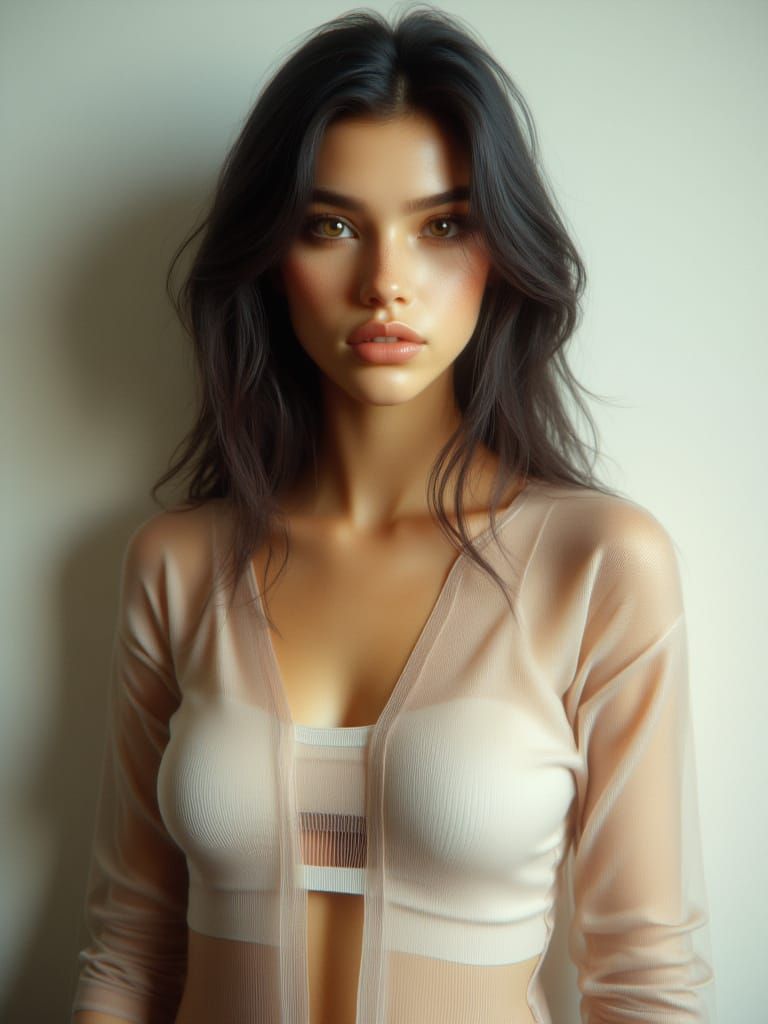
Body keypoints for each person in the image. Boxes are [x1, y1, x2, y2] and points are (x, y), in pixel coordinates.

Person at [71, 7, 716, 1023]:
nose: (385, 284)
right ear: (271, 258)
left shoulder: (599, 562)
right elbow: (129, 946)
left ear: (502, 253)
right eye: (330, 227)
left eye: (443, 225)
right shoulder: (178, 564)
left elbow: (646, 980)